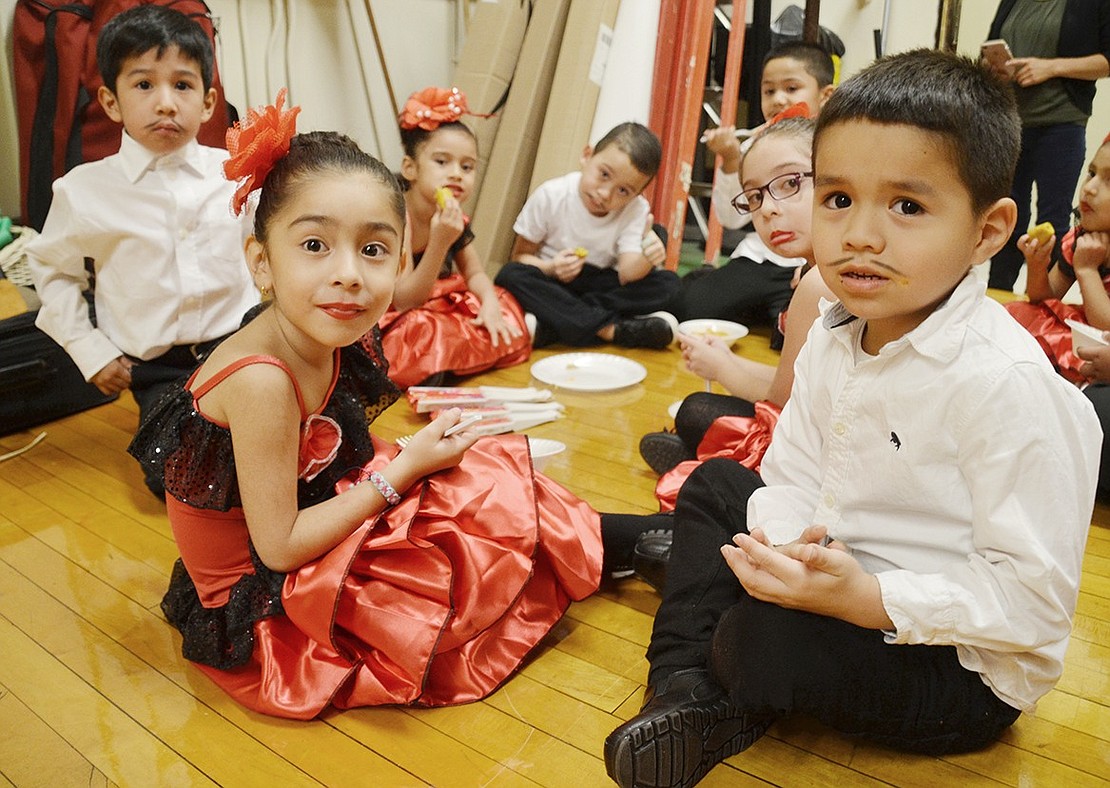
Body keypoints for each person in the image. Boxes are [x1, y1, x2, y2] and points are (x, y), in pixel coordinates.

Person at [603, 50, 1101, 788]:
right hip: (843, 566)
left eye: (906, 206)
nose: (860, 236)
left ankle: (716, 645)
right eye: (837, 200)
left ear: (988, 232)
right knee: (715, 485)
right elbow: (792, 473)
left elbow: (1030, 605)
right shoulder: (840, 332)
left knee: (760, 635)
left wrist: (862, 598)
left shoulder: (1007, 386)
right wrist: (786, 551)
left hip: (956, 665)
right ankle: (683, 691)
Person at [128, 94, 607, 720]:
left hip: (305, 513)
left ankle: (623, 539)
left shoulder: (324, 329)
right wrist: (401, 472)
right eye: (315, 246)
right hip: (266, 597)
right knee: (446, 551)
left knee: (476, 476)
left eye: (374, 250)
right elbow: (279, 549)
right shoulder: (261, 381)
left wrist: (410, 466)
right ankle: (621, 545)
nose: (350, 274)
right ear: (261, 265)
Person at [25, 5, 257, 495]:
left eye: (183, 85)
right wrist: (91, 350)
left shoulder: (236, 177)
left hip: (239, 349)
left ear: (210, 101)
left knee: (277, 448)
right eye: (144, 85)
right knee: (175, 479)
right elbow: (51, 269)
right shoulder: (84, 191)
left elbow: (270, 252)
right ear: (111, 101)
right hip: (157, 369)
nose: (166, 103)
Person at [639, 118, 834, 514]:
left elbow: (784, 399)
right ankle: (710, 459)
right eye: (755, 198)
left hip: (827, 459)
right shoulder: (812, 272)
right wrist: (728, 360)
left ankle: (717, 469)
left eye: (789, 184)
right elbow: (796, 380)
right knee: (699, 411)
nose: (769, 211)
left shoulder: (818, 283)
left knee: (698, 410)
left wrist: (723, 367)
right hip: (821, 430)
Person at [665, 42, 835, 347]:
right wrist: (732, 160)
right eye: (769, 91)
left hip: (812, 266)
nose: (778, 99)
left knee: (792, 338)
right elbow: (730, 218)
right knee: (690, 311)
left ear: (826, 95)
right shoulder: (752, 146)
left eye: (792, 88)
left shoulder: (839, 146)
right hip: (760, 259)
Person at [378, 87, 530, 389]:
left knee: (504, 301)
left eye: (467, 166)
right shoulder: (398, 214)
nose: (456, 174)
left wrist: (489, 304)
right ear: (410, 168)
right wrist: (438, 243)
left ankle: (445, 363)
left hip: (436, 303)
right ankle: (444, 362)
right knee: (416, 329)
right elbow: (405, 300)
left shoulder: (454, 215)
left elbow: (474, 273)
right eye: (442, 162)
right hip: (399, 311)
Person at [494, 122, 680, 349]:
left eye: (623, 191)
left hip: (600, 284)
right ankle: (609, 330)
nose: (605, 193)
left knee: (668, 284)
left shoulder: (635, 209)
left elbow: (627, 275)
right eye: (603, 174)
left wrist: (647, 257)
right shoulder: (552, 194)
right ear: (587, 156)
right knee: (511, 275)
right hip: (553, 280)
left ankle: (556, 326)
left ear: (636, 195)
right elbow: (520, 257)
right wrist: (552, 267)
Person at [983, 0, 1110, 292]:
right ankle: (997, 291)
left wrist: (1051, 67)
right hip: (1010, 120)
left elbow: (1106, 59)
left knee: (1053, 216)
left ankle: (1044, 299)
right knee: (1007, 209)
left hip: (1062, 123)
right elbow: (990, 46)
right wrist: (995, 68)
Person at [1005, 133, 1110, 383]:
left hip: (1103, 340)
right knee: (1020, 311)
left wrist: (1087, 271)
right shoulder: (1079, 238)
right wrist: (1037, 265)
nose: (1089, 188)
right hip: (1087, 326)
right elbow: (1045, 298)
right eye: (1092, 173)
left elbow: (1106, 330)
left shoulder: (1086, 255)